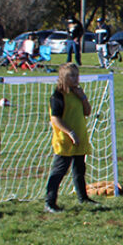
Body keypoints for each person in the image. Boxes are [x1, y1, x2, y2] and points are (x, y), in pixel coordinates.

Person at [45, 63, 97, 213]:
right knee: (59, 171)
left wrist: (83, 97)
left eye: (77, 74)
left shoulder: (77, 93)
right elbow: (55, 119)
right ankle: (50, 202)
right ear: (63, 77)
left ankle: (83, 198)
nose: (75, 78)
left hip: (80, 137)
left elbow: (87, 112)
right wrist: (70, 133)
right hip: (65, 140)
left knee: (79, 169)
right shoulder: (58, 96)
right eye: (71, 75)